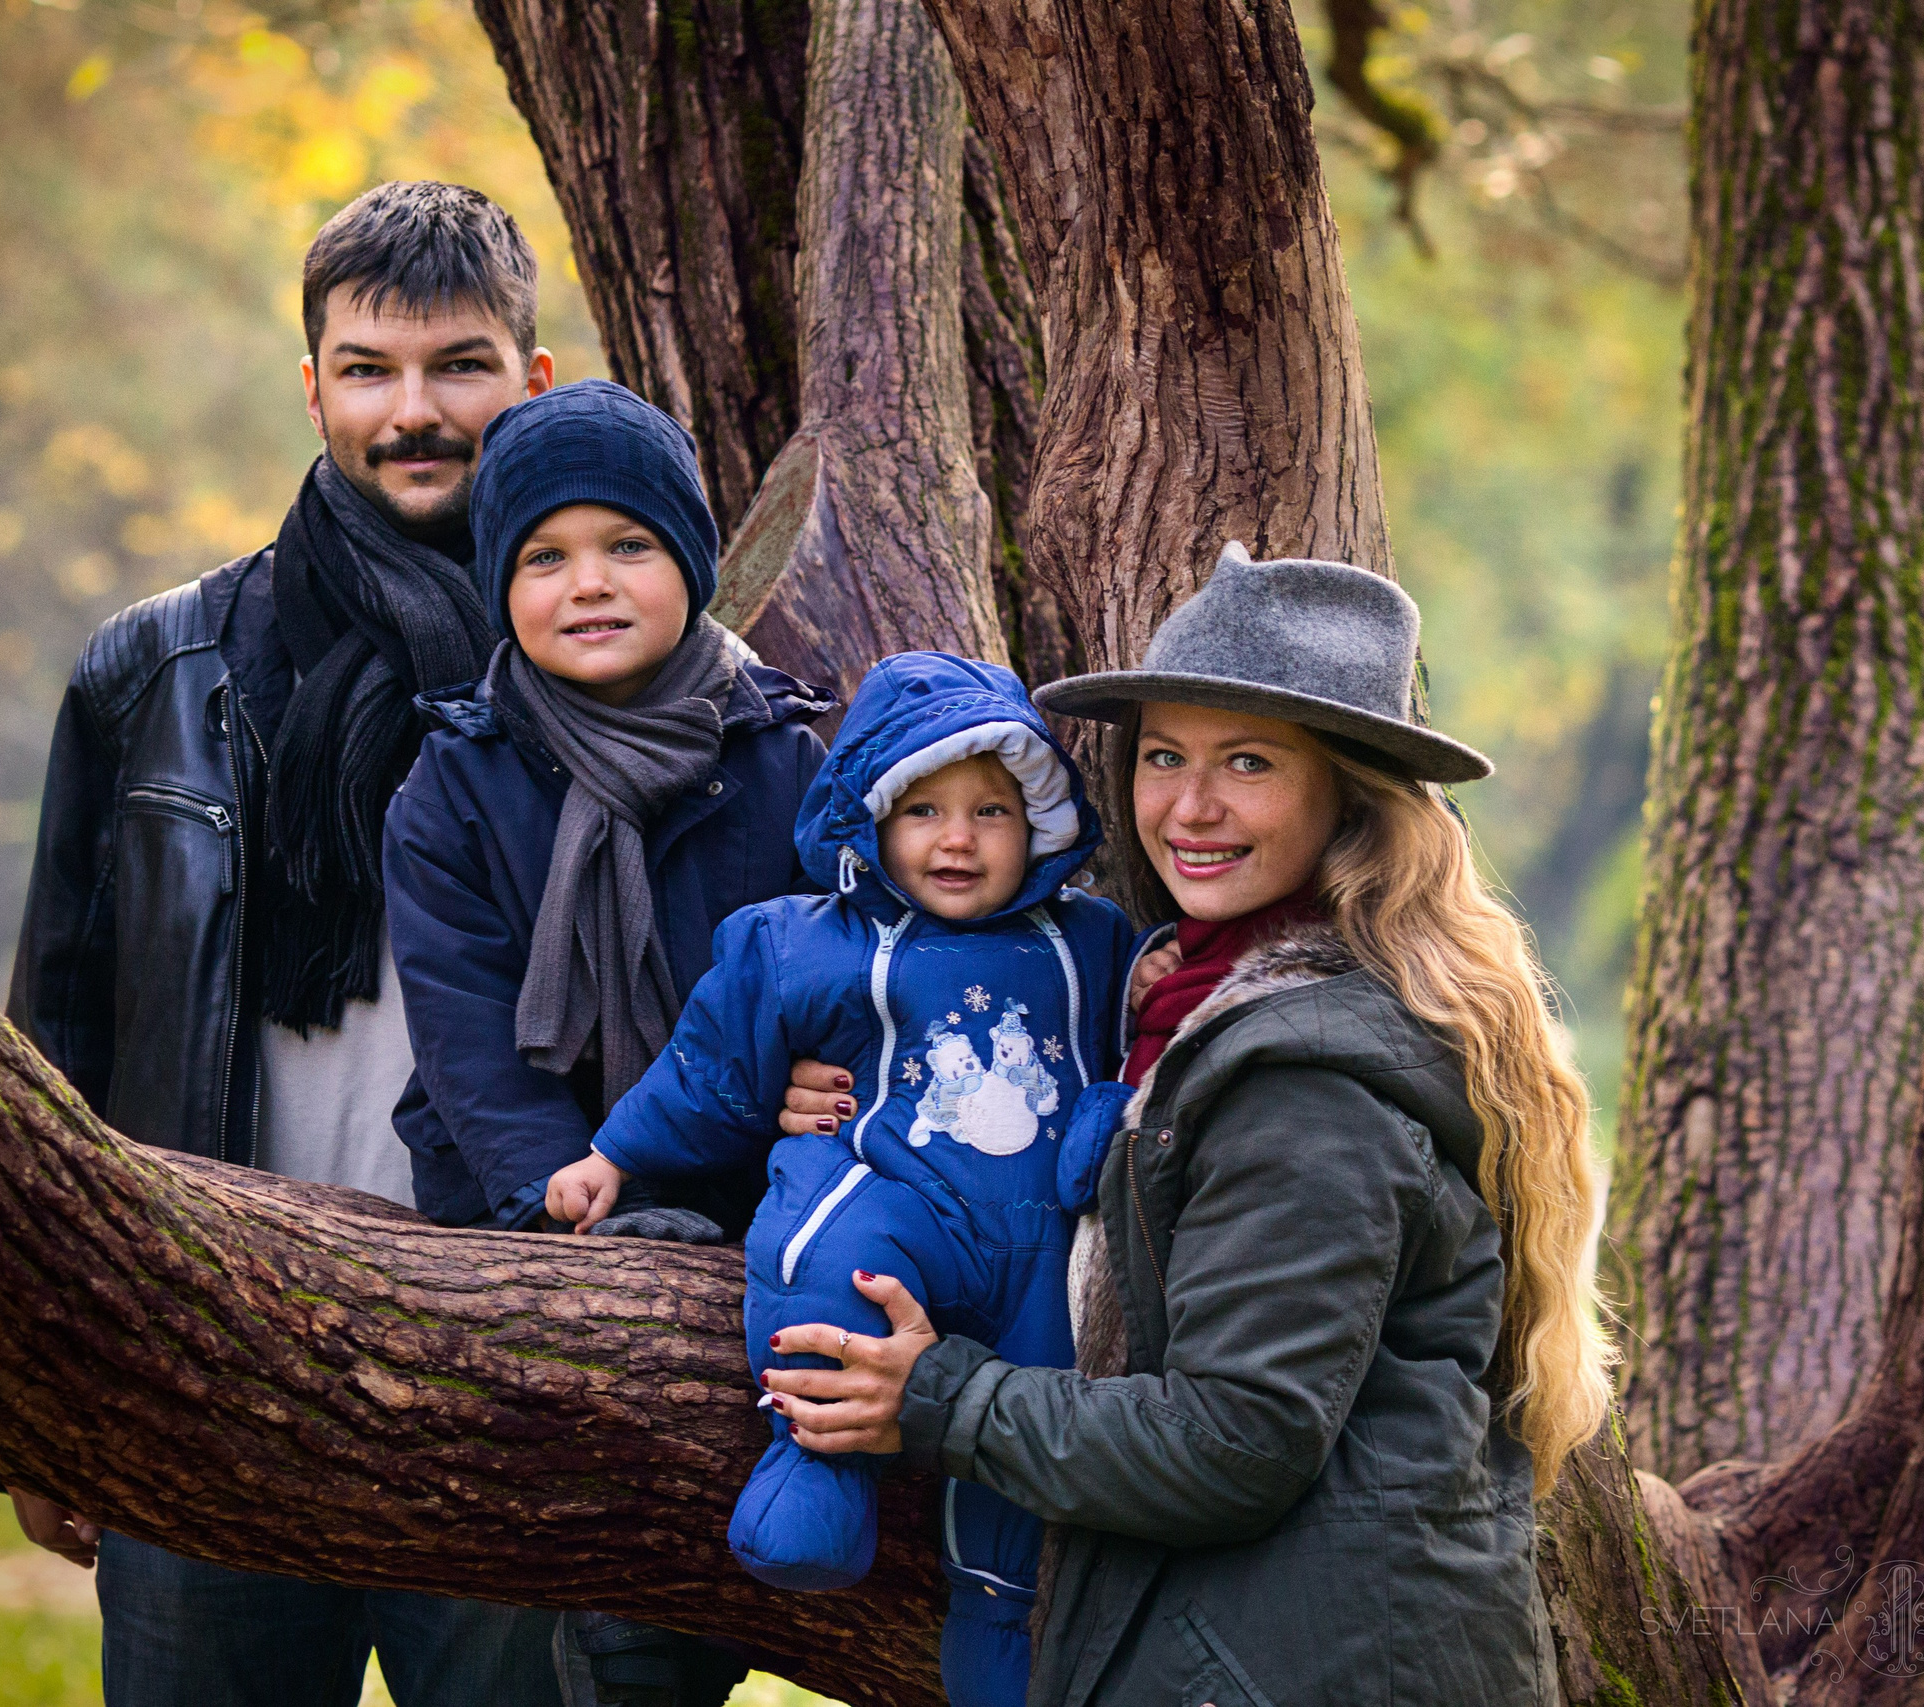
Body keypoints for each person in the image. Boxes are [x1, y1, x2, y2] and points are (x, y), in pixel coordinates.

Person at [767, 543, 1616, 1704]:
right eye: (1163, 756)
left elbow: (1233, 1441)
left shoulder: (1306, 1076)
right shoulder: (1192, 1004)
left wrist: (936, 1397)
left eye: (1248, 763)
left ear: (1349, 794)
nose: (1187, 807)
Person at [4, 179, 564, 1706]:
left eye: (458, 364)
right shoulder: (155, 668)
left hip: (513, 1364)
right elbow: (54, 1051)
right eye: (370, 371)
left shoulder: (607, 676)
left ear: (534, 378)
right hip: (210, 1353)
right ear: (312, 385)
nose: (414, 411)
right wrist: (45, 1397)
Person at [547, 652, 1132, 1707]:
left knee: (1047, 1400)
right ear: (870, 819)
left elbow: (1138, 1057)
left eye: (990, 812)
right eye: (922, 811)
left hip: (1046, 1237)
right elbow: (712, 1067)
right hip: (895, 1202)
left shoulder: (1091, 942)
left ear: (1037, 821)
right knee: (820, 1258)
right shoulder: (808, 942)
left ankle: (1000, 1617)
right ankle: (817, 1462)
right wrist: (613, 1157)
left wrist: (1104, 1123)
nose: (956, 840)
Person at [381, 377, 834, 1705]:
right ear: (498, 583)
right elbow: (467, 1034)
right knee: (596, 1567)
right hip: (534, 1202)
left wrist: (816, 1089)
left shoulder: (783, 757)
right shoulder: (457, 782)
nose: (590, 582)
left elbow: (837, 969)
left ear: (691, 563)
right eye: (544, 555)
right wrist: (565, 1198)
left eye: (628, 545)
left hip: (748, 1194)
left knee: (709, 1551)